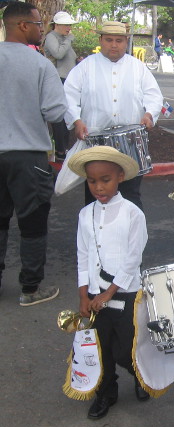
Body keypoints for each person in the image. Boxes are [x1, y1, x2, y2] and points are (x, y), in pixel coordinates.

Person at [68, 145, 149, 420]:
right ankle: (106, 392)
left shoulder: (132, 214)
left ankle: (139, 374)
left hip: (124, 294)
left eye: (106, 180)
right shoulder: (85, 214)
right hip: (93, 295)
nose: (99, 187)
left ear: (120, 177)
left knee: (124, 349)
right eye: (92, 181)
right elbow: (82, 256)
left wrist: (109, 293)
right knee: (100, 348)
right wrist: (84, 295)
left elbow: (132, 259)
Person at [0, 1, 66, 306]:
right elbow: (55, 111)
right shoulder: (40, 65)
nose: (43, 29)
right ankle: (30, 289)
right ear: (22, 26)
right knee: (33, 223)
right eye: (39, 24)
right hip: (28, 156)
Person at [64, 21, 163, 210]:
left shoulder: (138, 67)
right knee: (96, 197)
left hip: (130, 144)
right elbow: (68, 96)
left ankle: (131, 237)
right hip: (96, 143)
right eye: (109, 40)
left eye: (119, 40)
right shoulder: (85, 67)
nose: (114, 45)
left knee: (130, 196)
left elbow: (154, 95)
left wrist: (149, 114)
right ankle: (96, 237)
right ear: (101, 40)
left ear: (126, 42)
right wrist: (76, 121)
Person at [43, 11, 77, 160]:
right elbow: (58, 54)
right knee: (59, 116)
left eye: (70, 25)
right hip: (58, 79)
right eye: (67, 25)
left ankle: (64, 147)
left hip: (67, 79)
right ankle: (60, 150)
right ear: (57, 25)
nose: (69, 28)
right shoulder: (51, 37)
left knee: (67, 114)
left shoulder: (63, 38)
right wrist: (68, 40)